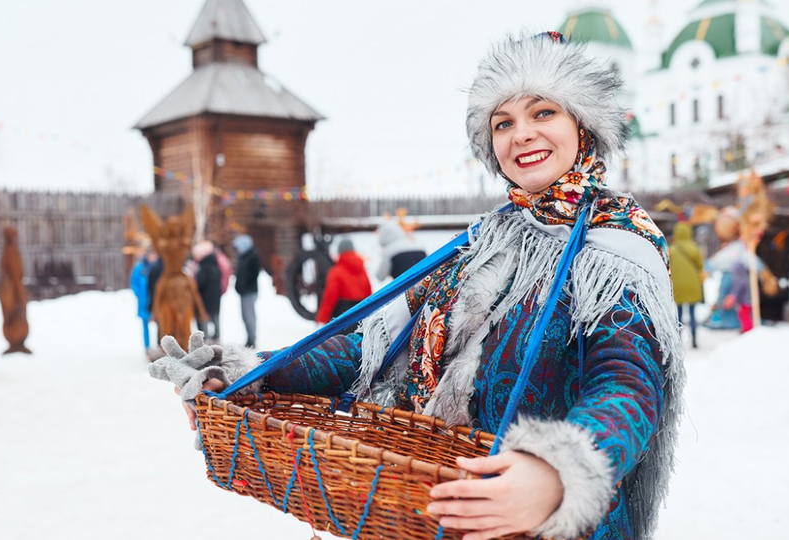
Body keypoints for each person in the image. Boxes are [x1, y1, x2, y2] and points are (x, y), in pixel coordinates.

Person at [151, 31, 683, 540]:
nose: (521, 134)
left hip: (545, 523)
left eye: (543, 112)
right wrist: (251, 372)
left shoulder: (616, 252)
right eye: (502, 122)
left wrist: (557, 472)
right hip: (431, 510)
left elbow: (629, 385)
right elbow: (367, 350)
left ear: (584, 125)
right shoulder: (477, 246)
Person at [315, 238, 373, 334]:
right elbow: (369, 292)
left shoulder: (336, 271)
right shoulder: (362, 269)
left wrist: (322, 318)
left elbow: (330, 296)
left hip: (343, 318)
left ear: (340, 252)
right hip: (361, 317)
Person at [668, 222, 704, 347]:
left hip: (678, 286)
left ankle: (679, 339)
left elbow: (668, 267)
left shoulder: (672, 249)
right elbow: (700, 265)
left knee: (679, 314)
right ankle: (694, 339)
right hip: (693, 285)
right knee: (693, 313)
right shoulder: (694, 247)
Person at [232, 234, 261, 348]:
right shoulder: (243, 256)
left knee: (249, 316)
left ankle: (252, 339)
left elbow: (254, 274)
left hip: (250, 291)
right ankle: (249, 338)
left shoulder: (253, 256)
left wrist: (245, 285)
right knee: (245, 315)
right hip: (243, 291)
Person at [192, 241, 223, 342]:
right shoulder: (215, 264)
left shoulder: (203, 267)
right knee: (215, 316)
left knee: (203, 318)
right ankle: (217, 336)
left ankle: (205, 338)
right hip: (215, 297)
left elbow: (201, 283)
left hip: (205, 298)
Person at [130, 248, 159, 350]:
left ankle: (159, 345)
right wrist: (139, 294)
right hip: (144, 301)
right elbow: (134, 282)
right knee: (145, 324)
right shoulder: (140, 268)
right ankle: (147, 346)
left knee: (159, 324)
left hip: (155, 300)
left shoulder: (156, 268)